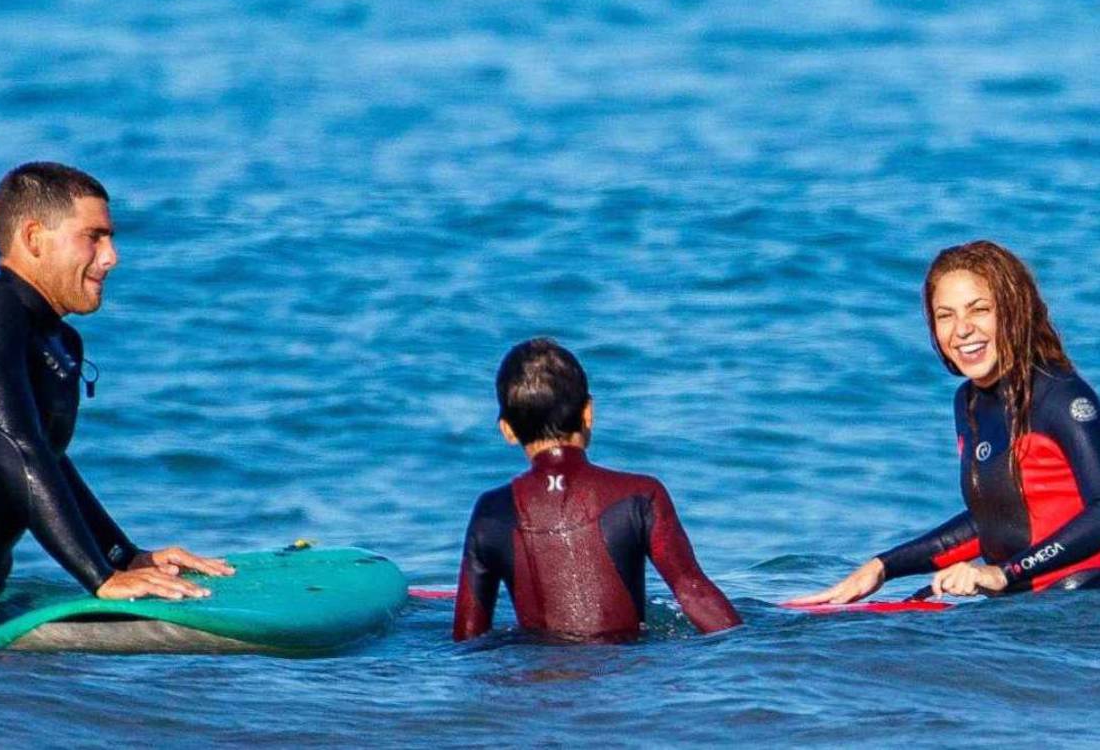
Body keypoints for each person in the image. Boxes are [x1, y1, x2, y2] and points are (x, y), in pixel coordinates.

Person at [0, 162, 232, 604]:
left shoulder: (61, 342)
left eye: (110, 238)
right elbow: (17, 445)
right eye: (94, 237)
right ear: (33, 238)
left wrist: (124, 557)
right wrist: (100, 577)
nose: (111, 257)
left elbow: (47, 460)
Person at [791, 240, 1100, 607]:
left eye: (979, 309)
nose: (962, 329)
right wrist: (882, 567)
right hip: (1019, 604)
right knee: (861, 620)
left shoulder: (1062, 397)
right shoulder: (969, 402)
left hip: (1078, 602)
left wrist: (1004, 573)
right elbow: (994, 521)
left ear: (1015, 311)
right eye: (945, 316)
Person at [453, 338, 740, 641]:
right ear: (588, 412)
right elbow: (694, 593)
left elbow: (467, 639)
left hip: (531, 670)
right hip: (626, 669)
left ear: (507, 430)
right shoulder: (641, 496)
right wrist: (750, 651)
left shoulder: (490, 513)